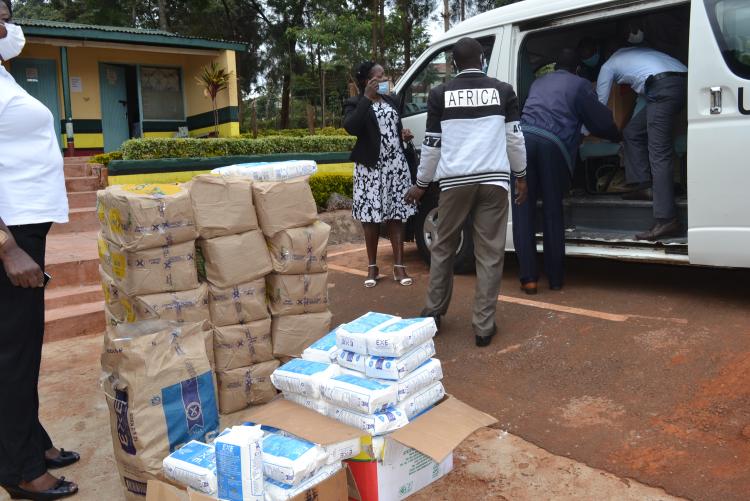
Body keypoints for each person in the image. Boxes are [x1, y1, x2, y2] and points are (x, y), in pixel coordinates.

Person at [0, 2, 80, 499]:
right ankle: (20, 469)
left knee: (22, 350)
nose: (5, 25)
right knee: (13, 355)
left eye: (5, 14)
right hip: (11, 238)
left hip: (25, 229)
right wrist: (6, 246)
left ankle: (31, 441)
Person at [405, 37, 527, 348]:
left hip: (454, 183)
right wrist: (521, 175)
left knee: (443, 247)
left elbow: (431, 145)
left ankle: (433, 313)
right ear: (483, 59)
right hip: (494, 181)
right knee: (489, 253)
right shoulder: (503, 91)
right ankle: (483, 327)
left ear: (455, 63)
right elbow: (514, 139)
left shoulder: (439, 94)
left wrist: (421, 184)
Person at [512, 49, 621, 294]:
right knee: (552, 211)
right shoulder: (580, 85)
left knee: (523, 211)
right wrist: (618, 134)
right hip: (554, 146)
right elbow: (601, 121)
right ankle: (555, 279)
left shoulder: (539, 82)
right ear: (578, 69)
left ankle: (529, 278)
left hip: (524, 141)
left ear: (555, 66)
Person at [596, 25, 687, 241]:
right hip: (682, 81)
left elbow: (599, 107)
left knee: (659, 152)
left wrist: (585, 130)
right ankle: (644, 185)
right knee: (633, 131)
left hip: (662, 88)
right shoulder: (637, 53)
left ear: (607, 53)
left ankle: (667, 220)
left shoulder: (609, 65)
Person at [343, 61, 416, 288]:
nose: (385, 80)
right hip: (370, 169)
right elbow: (351, 127)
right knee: (371, 219)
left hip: (395, 166)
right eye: (380, 76)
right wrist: (366, 97)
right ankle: (372, 267)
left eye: (384, 76)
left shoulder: (391, 100)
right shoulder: (354, 103)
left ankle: (399, 266)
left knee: (396, 215)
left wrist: (403, 136)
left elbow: (392, 128)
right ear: (368, 81)